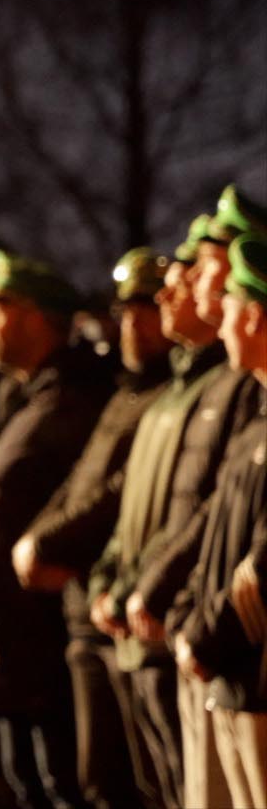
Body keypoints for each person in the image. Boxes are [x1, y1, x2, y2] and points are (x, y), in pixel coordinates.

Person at [90, 218, 250, 809]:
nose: (167, 295)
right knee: (156, 786)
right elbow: (136, 500)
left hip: (186, 624)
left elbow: (209, 513)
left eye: (199, 271)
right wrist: (115, 577)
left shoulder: (233, 387)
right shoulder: (181, 388)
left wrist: (155, 592)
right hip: (160, 616)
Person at [14, 249, 173, 809]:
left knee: (125, 785)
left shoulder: (165, 399)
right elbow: (82, 481)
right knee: (93, 781)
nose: (135, 324)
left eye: (148, 309)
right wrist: (38, 534)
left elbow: (119, 497)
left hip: (118, 607)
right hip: (84, 607)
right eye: (126, 310)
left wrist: (48, 543)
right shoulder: (122, 392)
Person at [0, 252, 115, 809]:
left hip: (43, 650)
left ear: (34, 317)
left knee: (61, 788)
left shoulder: (74, 403)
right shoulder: (25, 400)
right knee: (21, 781)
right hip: (6, 641)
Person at [173, 231, 267, 807]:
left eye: (229, 308)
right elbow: (216, 541)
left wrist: (204, 636)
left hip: (253, 676)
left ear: (255, 317)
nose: (223, 323)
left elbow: (261, 565)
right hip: (235, 676)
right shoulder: (256, 418)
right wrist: (191, 619)